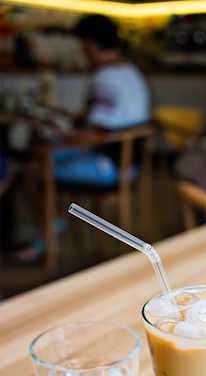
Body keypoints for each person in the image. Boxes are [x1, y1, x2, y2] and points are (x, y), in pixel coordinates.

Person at [16, 13, 151, 262]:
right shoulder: (131, 71)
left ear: (90, 44)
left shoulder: (106, 76)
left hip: (109, 165)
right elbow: (103, 120)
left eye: (82, 45)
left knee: (35, 168)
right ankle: (55, 219)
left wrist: (65, 136)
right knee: (48, 151)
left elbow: (95, 132)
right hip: (128, 162)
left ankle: (47, 231)